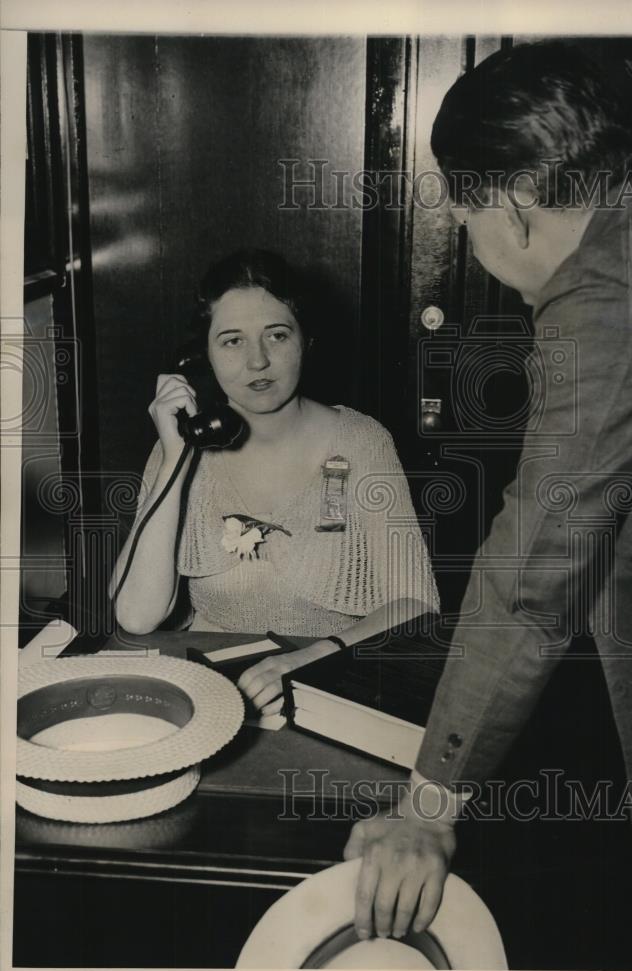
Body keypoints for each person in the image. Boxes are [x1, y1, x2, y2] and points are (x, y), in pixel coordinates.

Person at [344, 40, 632, 952]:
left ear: (507, 210)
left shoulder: (608, 301)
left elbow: (530, 579)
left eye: (462, 214)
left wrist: (426, 808)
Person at [110, 249, 439, 714]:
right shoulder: (180, 447)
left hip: (326, 684)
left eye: (277, 335)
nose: (258, 361)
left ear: (306, 341)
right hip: (209, 690)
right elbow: (136, 616)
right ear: (202, 356)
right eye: (231, 341)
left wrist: (307, 660)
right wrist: (175, 458)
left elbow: (416, 603)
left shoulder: (362, 441)